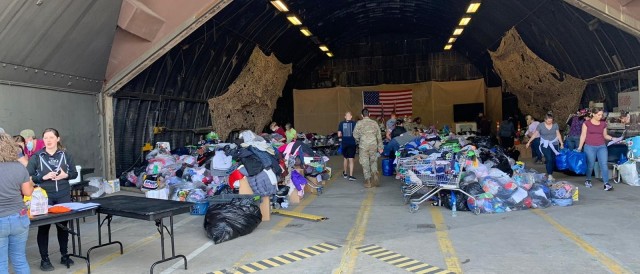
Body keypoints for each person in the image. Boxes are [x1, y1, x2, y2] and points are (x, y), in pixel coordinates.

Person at [27, 128, 78, 271]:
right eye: (45, 138)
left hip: (63, 194)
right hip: (44, 196)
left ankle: (64, 254)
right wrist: (42, 178)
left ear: (58, 139)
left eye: (51, 137)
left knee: (63, 225)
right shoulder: (37, 157)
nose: (48, 140)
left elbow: (74, 173)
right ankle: (45, 259)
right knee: (44, 226)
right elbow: (27, 177)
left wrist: (65, 176)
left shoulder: (66, 155)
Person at [0, 133, 34, 274]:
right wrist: (31, 181)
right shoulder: (19, 167)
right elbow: (27, 192)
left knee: (1, 263)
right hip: (19, 217)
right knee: (19, 258)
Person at [577, 108, 620, 191]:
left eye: (601, 115)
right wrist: (579, 147)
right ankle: (588, 180)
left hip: (601, 146)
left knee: (603, 164)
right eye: (598, 115)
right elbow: (583, 136)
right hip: (589, 146)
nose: (600, 116)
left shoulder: (603, 124)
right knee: (590, 164)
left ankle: (606, 183)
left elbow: (605, 135)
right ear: (593, 114)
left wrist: (613, 138)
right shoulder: (586, 123)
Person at [526, 112, 564, 181]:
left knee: (553, 160)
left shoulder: (555, 125)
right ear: (545, 120)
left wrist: (561, 143)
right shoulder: (540, 126)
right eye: (548, 121)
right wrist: (529, 142)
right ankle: (549, 175)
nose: (550, 122)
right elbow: (535, 134)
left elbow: (558, 134)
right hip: (545, 144)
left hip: (554, 143)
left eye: (551, 121)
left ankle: (550, 173)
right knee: (548, 158)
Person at [353, 108, 384, 188]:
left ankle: (368, 181)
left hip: (363, 145)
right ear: (369, 114)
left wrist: (359, 139)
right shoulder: (374, 123)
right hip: (373, 144)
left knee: (365, 162)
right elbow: (379, 136)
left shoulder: (359, 123)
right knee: (373, 160)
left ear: (362, 115)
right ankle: (375, 174)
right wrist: (380, 147)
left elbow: (355, 135)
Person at [338, 112, 357, 181]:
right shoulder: (354, 123)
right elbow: (357, 133)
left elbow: (339, 134)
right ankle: (351, 176)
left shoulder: (341, 123)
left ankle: (345, 173)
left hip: (344, 143)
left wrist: (342, 136)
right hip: (352, 143)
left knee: (345, 158)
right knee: (351, 159)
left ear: (345, 117)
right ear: (351, 116)